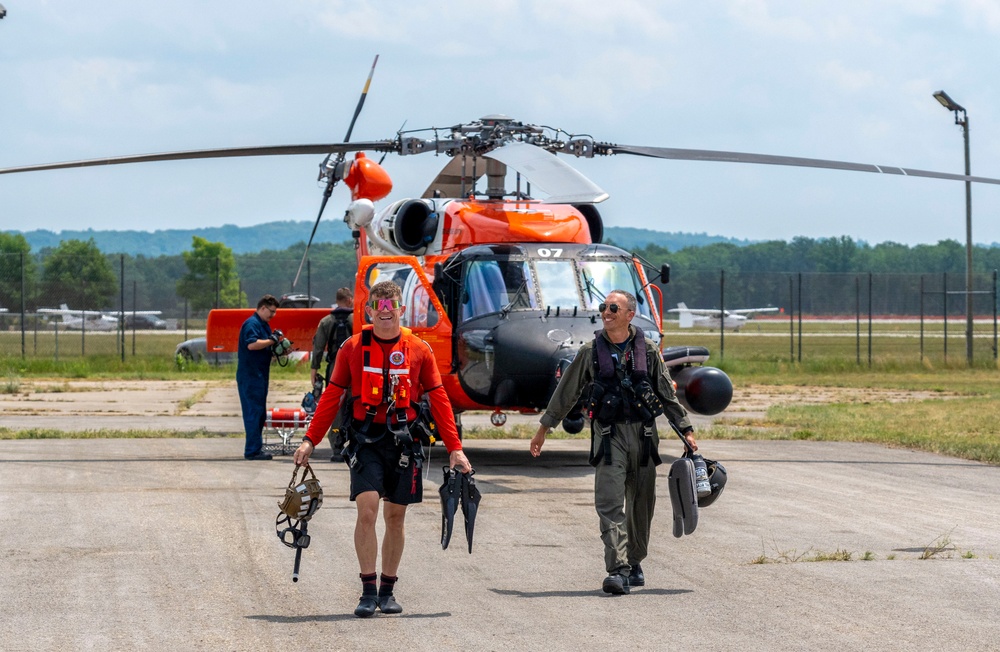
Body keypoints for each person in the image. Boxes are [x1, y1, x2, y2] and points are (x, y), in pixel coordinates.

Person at [293, 280, 472, 618]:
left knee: (395, 516)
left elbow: (439, 399)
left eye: (392, 308)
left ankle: (388, 590)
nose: (386, 314)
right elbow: (332, 396)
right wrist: (309, 439)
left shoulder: (419, 349)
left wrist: (455, 448)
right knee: (368, 510)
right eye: (380, 308)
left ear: (401, 311)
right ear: (370, 310)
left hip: (403, 442)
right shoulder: (351, 348)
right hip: (366, 441)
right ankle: (367, 590)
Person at [530, 289, 698, 595]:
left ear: (629, 315)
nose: (605, 312)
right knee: (609, 503)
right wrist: (544, 428)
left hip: (645, 437)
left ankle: (634, 562)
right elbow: (566, 392)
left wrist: (685, 429)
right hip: (609, 438)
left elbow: (665, 393)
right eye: (603, 307)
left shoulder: (647, 350)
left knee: (641, 505)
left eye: (612, 308)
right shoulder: (590, 352)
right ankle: (618, 569)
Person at [310, 287, 354, 461]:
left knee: (336, 407)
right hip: (355, 368)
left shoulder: (326, 321)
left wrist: (314, 370)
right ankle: (355, 444)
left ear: (337, 301)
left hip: (335, 368)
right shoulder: (356, 319)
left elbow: (318, 347)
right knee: (356, 405)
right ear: (350, 300)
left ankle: (336, 446)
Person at [237, 294, 280, 461]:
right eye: (271, 311)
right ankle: (252, 451)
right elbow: (252, 344)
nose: (273, 315)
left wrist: (279, 349)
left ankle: (256, 448)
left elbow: (265, 348)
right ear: (262, 308)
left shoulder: (264, 325)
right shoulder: (252, 324)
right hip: (250, 376)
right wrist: (271, 340)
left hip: (259, 375)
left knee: (259, 413)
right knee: (253, 412)